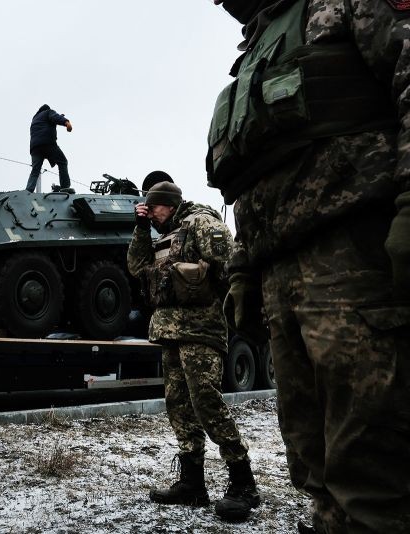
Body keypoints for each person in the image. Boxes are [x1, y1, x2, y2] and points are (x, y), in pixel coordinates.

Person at [210, 1, 410, 532]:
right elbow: (257, 172)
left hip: (353, 252)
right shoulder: (257, 45)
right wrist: (242, 270)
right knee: (308, 448)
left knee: (372, 455)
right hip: (281, 270)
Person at [127, 181, 259, 521]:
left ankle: (243, 483)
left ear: (169, 204)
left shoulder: (202, 223)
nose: (150, 212)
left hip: (201, 331)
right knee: (180, 408)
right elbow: (137, 266)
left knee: (207, 403)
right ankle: (192, 484)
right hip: (170, 332)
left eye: (153, 207)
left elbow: (230, 265)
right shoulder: (163, 234)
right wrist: (141, 228)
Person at [25, 104, 73, 193]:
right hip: (47, 143)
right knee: (63, 162)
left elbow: (47, 123)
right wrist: (66, 122)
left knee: (35, 170)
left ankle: (28, 190)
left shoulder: (34, 119)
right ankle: (65, 187)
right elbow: (55, 117)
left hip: (35, 148)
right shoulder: (48, 112)